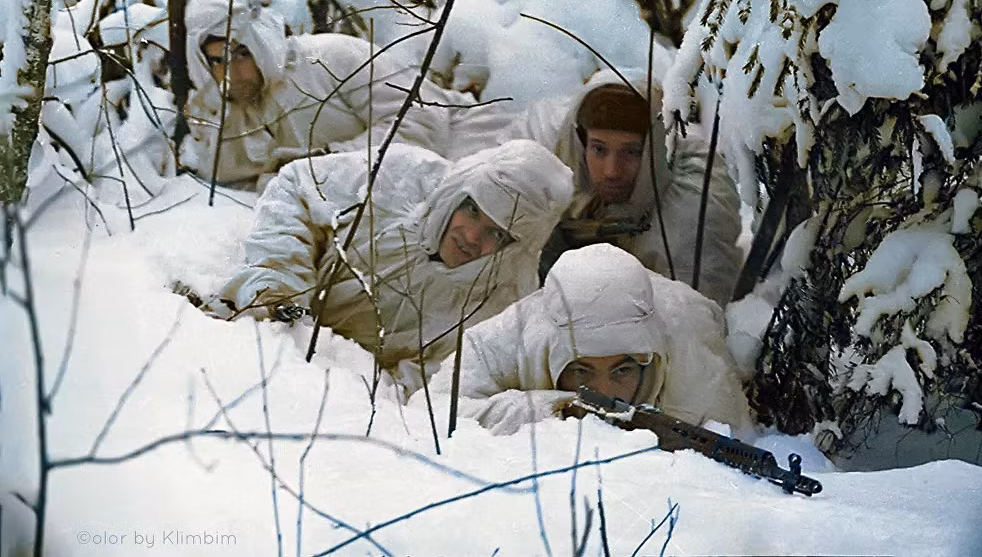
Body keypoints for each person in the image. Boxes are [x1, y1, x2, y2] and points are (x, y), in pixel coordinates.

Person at [212, 139, 574, 392]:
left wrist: (329, 373)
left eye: (496, 233)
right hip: (265, 321)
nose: (471, 236)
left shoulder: (501, 312)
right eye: (471, 210)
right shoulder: (403, 176)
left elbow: (418, 392)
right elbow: (296, 188)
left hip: (326, 384)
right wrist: (279, 279)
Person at [431, 244, 751, 436]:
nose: (604, 393)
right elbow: (431, 412)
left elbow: (733, 452)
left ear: (647, 361)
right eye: (582, 372)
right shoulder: (515, 336)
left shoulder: (695, 367)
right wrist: (550, 409)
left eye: (622, 371)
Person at [180, 0, 470, 189]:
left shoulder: (333, 55)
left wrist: (327, 160)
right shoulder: (227, 110)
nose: (231, 72)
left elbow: (422, 122)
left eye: (242, 54)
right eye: (217, 62)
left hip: (469, 148)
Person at [524, 69, 744, 307]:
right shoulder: (557, 158)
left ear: (656, 147)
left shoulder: (692, 201)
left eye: (632, 152)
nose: (612, 171)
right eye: (598, 149)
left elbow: (694, 318)